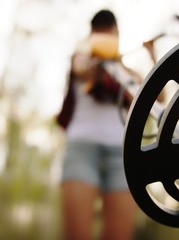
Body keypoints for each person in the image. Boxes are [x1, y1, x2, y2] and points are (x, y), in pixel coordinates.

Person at [57, 9, 139, 240]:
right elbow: (84, 70)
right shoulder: (80, 58)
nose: (103, 35)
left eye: (108, 31)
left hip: (121, 157)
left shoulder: (127, 73)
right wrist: (104, 61)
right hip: (82, 149)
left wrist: (148, 57)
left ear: (117, 33)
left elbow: (157, 95)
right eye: (98, 31)